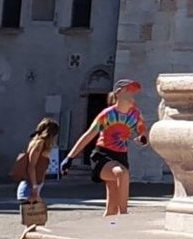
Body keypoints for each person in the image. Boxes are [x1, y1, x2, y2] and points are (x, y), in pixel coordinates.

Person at [63, 82, 148, 224]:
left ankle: (104, 232)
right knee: (122, 173)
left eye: (134, 91)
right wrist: (70, 157)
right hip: (102, 155)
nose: (133, 94)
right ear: (119, 93)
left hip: (121, 156)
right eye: (130, 90)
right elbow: (89, 135)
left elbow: (142, 134)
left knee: (111, 208)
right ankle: (124, 214)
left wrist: (142, 139)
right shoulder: (107, 115)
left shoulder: (136, 114)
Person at [14, 117, 59, 239]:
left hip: (34, 186)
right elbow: (31, 166)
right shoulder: (39, 143)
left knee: (34, 221)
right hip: (29, 188)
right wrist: (34, 188)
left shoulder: (41, 144)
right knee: (37, 221)